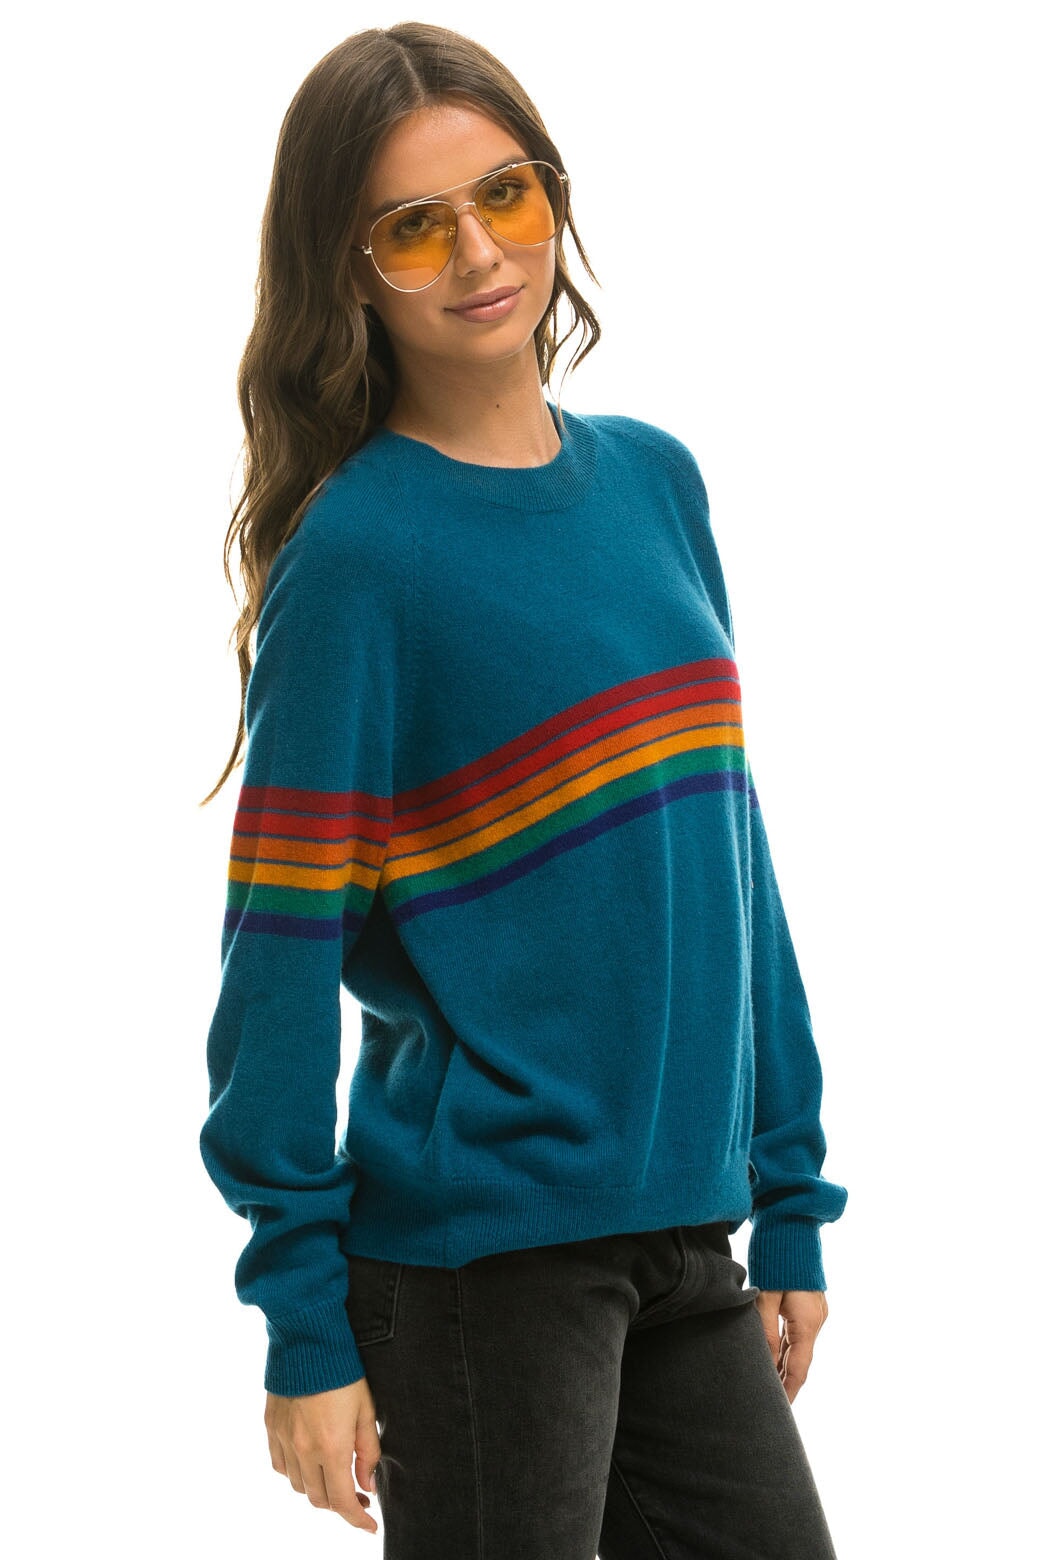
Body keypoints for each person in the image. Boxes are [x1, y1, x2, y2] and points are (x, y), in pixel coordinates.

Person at [199, 21, 848, 1559]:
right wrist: (304, 1321)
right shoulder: (358, 560)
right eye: (414, 227)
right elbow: (277, 954)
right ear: (349, 272)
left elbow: (732, 861)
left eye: (506, 194)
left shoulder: (657, 483)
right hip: (484, 1263)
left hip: (685, 1233)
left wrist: (790, 1187)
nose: (479, 253)